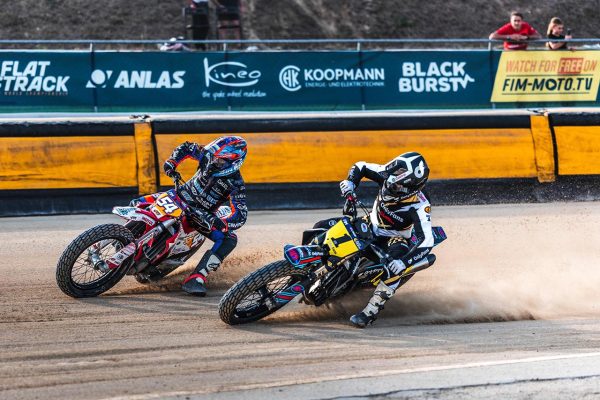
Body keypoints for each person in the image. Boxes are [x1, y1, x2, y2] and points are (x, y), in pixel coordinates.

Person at [131, 136, 248, 296]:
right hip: (178, 195)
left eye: (220, 160)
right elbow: (186, 147)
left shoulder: (236, 184)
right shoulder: (207, 155)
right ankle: (125, 237)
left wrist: (222, 223)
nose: (214, 161)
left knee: (230, 239)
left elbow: (241, 215)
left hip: (200, 216)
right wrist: (172, 162)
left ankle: (197, 278)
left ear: (234, 163)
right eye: (213, 156)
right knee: (137, 203)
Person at [336, 152, 434, 328]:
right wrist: (350, 182)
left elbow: (426, 241)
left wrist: (403, 262)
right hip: (369, 223)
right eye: (390, 180)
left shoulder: (421, 205)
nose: (390, 186)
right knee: (322, 226)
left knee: (394, 269)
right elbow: (361, 166)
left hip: (394, 238)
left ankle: (370, 311)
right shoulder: (387, 173)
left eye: (396, 186)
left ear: (411, 188)